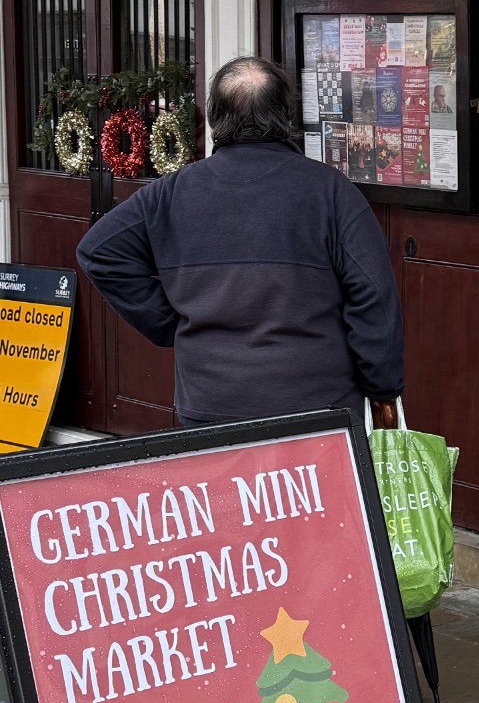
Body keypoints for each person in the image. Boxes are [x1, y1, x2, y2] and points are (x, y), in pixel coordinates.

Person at [76, 56, 404, 426]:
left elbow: (97, 251)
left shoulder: (171, 193)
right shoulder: (331, 192)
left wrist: (173, 326)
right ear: (284, 114)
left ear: (216, 116)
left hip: (209, 404)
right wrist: (382, 390)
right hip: (316, 411)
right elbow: (374, 298)